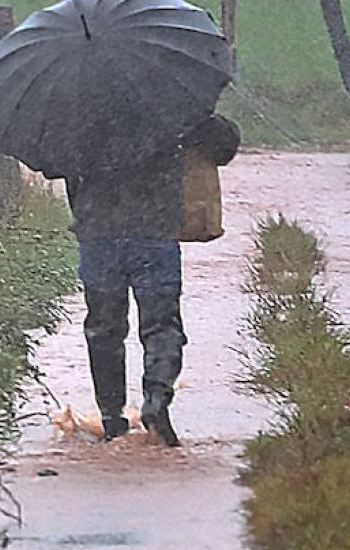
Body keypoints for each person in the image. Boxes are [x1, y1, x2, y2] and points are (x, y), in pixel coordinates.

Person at [65, 114, 241, 447]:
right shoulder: (168, 102)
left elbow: (50, 163)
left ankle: (112, 417)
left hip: (98, 234)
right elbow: (223, 147)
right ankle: (157, 398)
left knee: (104, 328)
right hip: (155, 233)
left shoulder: (79, 105)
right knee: (162, 325)